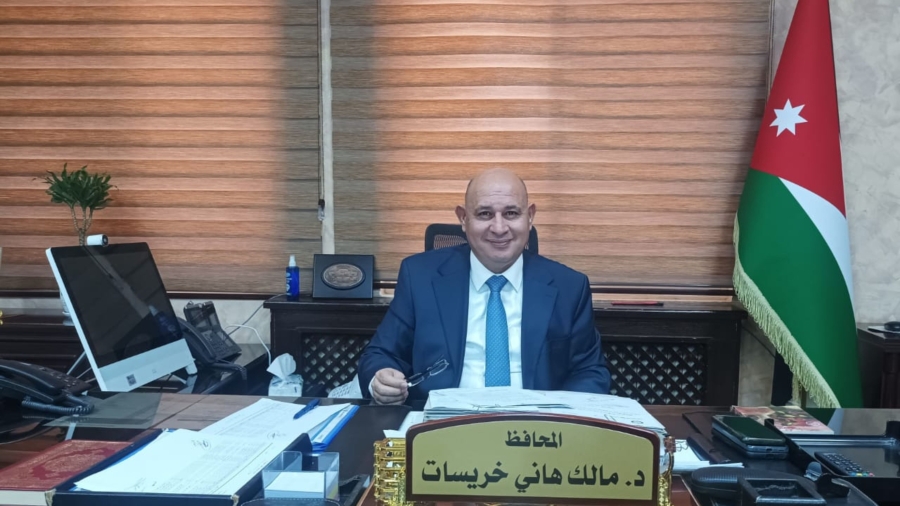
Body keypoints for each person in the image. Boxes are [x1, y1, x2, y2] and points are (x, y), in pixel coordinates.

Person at [357, 168, 611, 404]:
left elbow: (589, 371)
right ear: (463, 218)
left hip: (535, 425)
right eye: (485, 214)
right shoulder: (419, 276)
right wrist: (381, 379)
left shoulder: (569, 287)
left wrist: (561, 416)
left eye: (511, 213)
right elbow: (381, 354)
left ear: (530, 216)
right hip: (442, 421)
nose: (499, 228)